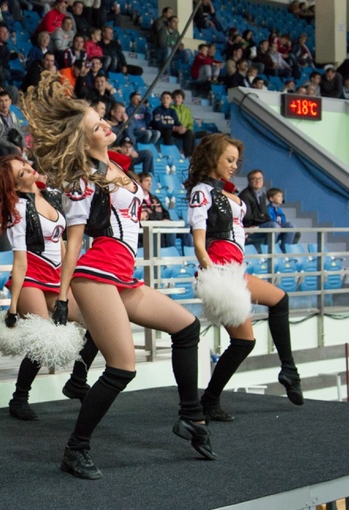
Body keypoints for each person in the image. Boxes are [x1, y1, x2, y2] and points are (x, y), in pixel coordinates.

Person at [20, 72, 216, 479]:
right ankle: (75, 449)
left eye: (103, 120)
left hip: (123, 274)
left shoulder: (114, 169)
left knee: (187, 327)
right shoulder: (82, 181)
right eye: (97, 126)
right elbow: (74, 241)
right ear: (83, 140)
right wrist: (62, 295)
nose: (107, 125)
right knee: (122, 367)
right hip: (96, 274)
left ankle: (191, 416)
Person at [184, 134, 303, 422]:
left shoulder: (225, 192)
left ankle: (289, 370)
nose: (234, 166)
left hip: (235, 268)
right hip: (220, 271)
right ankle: (209, 401)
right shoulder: (202, 191)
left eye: (236, 161)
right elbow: (198, 242)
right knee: (244, 341)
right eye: (229, 160)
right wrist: (214, 276)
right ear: (212, 158)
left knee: (279, 299)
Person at [0, 155, 99, 420]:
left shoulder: (53, 196)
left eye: (26, 165)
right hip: (31, 278)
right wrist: (12, 308)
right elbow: (20, 261)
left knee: (96, 323)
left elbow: (63, 245)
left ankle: (78, 380)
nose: (29, 169)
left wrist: (68, 282)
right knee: (43, 339)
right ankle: (19, 397)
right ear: (14, 185)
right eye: (22, 172)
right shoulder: (17, 210)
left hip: (56, 278)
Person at [238, 169, 289, 247]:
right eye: (255, 179)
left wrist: (268, 221)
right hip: (250, 227)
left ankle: (285, 251)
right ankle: (270, 252)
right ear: (249, 181)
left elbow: (265, 214)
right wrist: (262, 220)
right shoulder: (245, 195)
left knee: (289, 226)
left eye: (260, 178)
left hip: (260, 225)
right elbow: (247, 217)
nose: (258, 181)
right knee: (273, 226)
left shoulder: (262, 195)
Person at [0, 91, 25, 157]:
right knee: (12, 151)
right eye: (1, 101)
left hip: (13, 143)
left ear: (10, 101)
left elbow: (20, 132)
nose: (4, 104)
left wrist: (23, 146)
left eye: (6, 100)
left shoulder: (13, 115)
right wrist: (12, 146)